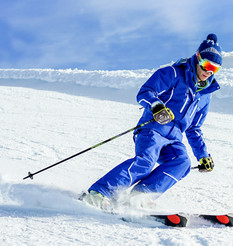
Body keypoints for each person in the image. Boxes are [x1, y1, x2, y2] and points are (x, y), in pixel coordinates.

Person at [81, 33, 223, 210]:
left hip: (174, 139)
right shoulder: (172, 73)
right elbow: (145, 92)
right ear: (197, 57)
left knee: (182, 163)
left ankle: (140, 195)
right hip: (152, 130)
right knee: (146, 162)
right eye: (207, 65)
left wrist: (203, 156)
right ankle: (100, 192)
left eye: (215, 69)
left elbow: (194, 128)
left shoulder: (205, 95)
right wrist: (156, 107)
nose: (208, 72)